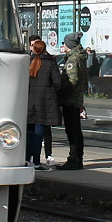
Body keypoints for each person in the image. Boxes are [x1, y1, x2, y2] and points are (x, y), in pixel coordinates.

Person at [25, 35, 62, 169]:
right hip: (45, 103)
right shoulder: (50, 62)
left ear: (33, 49)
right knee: (39, 133)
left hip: (28, 102)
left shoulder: (26, 62)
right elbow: (58, 82)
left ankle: (26, 159)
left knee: (29, 133)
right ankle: (36, 161)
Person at [55, 31, 88, 170]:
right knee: (76, 130)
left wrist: (61, 90)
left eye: (64, 43)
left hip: (70, 99)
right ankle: (77, 158)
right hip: (76, 99)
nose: (64, 46)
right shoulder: (79, 57)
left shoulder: (73, 60)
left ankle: (74, 158)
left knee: (72, 130)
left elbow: (72, 80)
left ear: (69, 45)